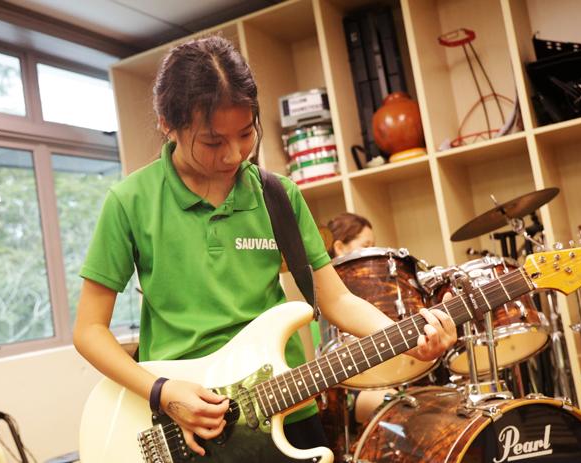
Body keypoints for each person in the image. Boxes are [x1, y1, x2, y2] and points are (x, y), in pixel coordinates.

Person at [72, 35, 456, 460]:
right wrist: (162, 391)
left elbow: (337, 299)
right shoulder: (130, 201)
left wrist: (408, 337)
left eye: (245, 133)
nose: (234, 154)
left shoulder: (279, 196)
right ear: (168, 124)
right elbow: (89, 331)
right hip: (186, 425)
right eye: (213, 141)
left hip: (287, 409)